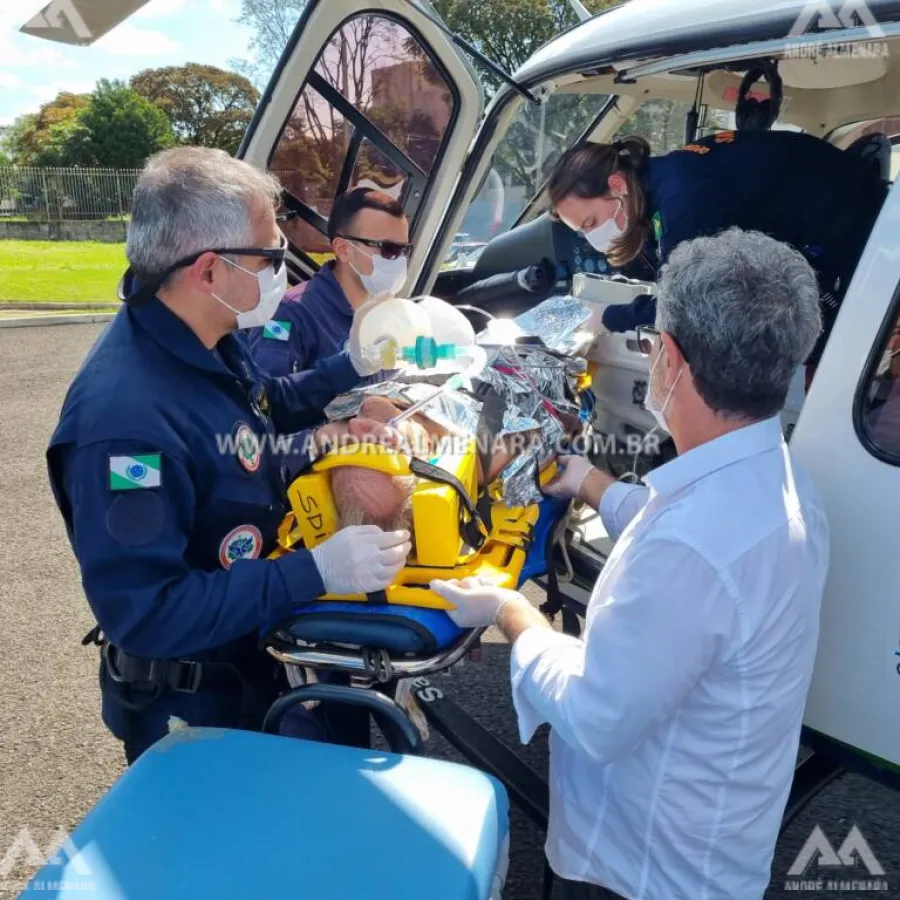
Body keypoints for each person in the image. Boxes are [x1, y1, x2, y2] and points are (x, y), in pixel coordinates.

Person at [431, 229, 831, 900]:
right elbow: (677, 533)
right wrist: (589, 482)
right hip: (711, 844)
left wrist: (511, 612)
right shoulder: (783, 484)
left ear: (668, 358)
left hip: (637, 871)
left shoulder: (694, 548)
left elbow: (596, 714)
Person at [46, 147, 411, 764]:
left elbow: (262, 405)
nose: (285, 274)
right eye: (271, 258)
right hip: (190, 710)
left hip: (248, 658)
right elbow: (149, 612)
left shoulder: (205, 335)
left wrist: (346, 373)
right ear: (209, 271)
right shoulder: (125, 423)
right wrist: (315, 572)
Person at [548, 128, 887, 367]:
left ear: (617, 184)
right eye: (582, 231)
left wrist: (607, 317)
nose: (591, 236)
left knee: (836, 356)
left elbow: (687, 304)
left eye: (590, 223)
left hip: (857, 227)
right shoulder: (658, 181)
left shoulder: (683, 200)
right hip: (836, 213)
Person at [247, 187, 411, 379]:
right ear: (343, 249)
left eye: (404, 250)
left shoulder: (386, 317)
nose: (398, 260)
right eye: (389, 249)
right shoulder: (289, 315)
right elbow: (266, 400)